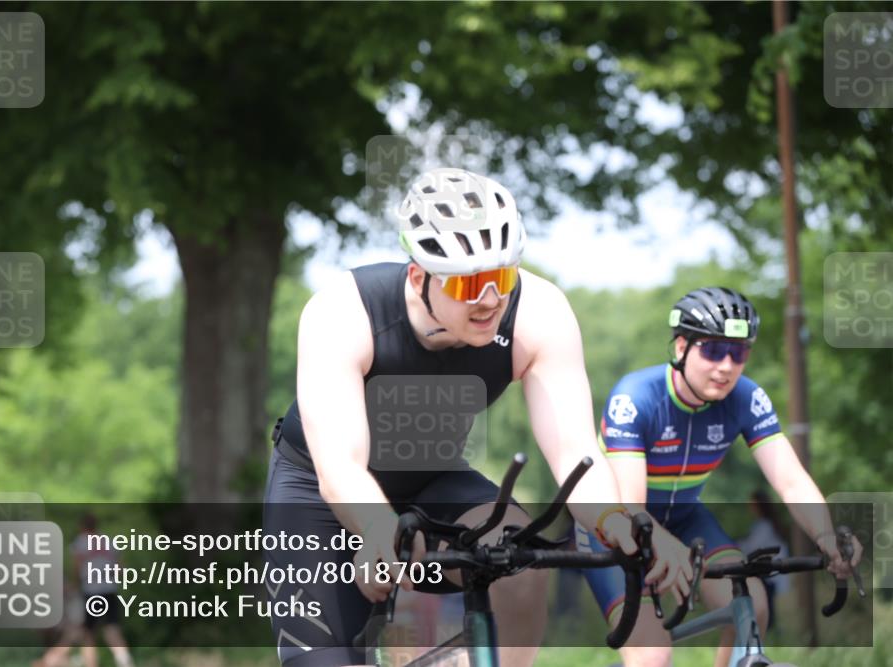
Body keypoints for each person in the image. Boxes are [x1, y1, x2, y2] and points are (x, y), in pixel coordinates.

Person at [262, 168, 692, 667]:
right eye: (469, 284)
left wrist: (615, 519)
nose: (490, 300)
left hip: (433, 479)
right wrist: (377, 527)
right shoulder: (343, 311)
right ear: (419, 277)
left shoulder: (539, 313)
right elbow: (340, 467)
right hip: (317, 490)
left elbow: (574, 451)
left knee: (521, 563)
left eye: (502, 277)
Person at [579, 286, 864, 667]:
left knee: (752, 606)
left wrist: (826, 536)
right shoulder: (635, 397)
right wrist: (662, 545)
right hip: (615, 526)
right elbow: (631, 505)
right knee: (652, 655)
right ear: (681, 347)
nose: (727, 365)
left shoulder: (746, 397)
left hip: (685, 518)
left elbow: (791, 480)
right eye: (713, 350)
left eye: (739, 352)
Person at [70, 514, 136, 667]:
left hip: (90, 590)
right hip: (109, 589)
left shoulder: (80, 542)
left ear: (82, 527)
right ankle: (125, 661)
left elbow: (77, 567)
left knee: (88, 634)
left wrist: (75, 584)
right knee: (112, 628)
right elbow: (120, 568)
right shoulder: (108, 541)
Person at [737, 489, 791, 630]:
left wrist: (733, 546)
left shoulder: (765, 526)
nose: (750, 508)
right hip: (769, 573)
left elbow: (752, 547)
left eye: (752, 504)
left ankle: (770, 633)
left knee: (768, 611)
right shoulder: (765, 525)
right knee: (769, 609)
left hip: (769, 574)